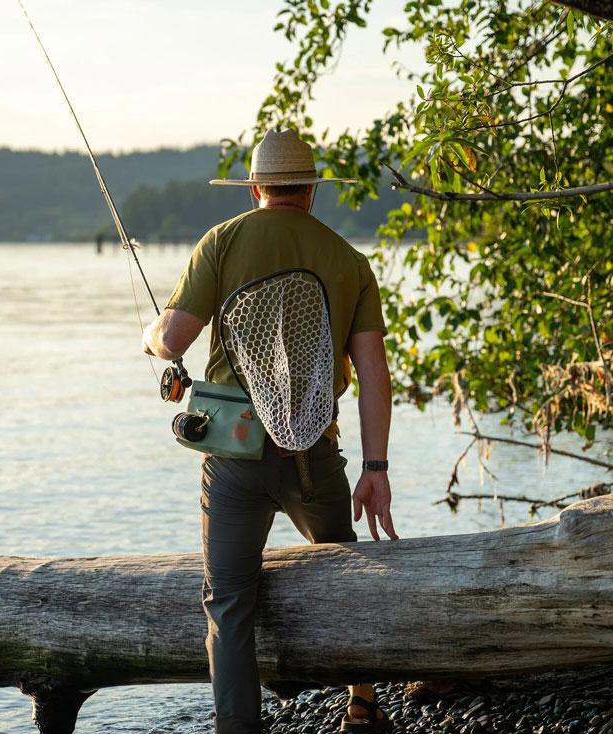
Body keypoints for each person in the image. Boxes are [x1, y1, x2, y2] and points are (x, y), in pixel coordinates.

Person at [141, 128, 397, 734]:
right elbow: (373, 375)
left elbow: (172, 339)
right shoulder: (349, 261)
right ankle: (362, 705)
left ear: (256, 188)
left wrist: (153, 338)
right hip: (315, 454)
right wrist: (375, 470)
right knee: (346, 578)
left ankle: (236, 728)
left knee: (229, 602)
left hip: (233, 454)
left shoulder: (221, 242)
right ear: (310, 191)